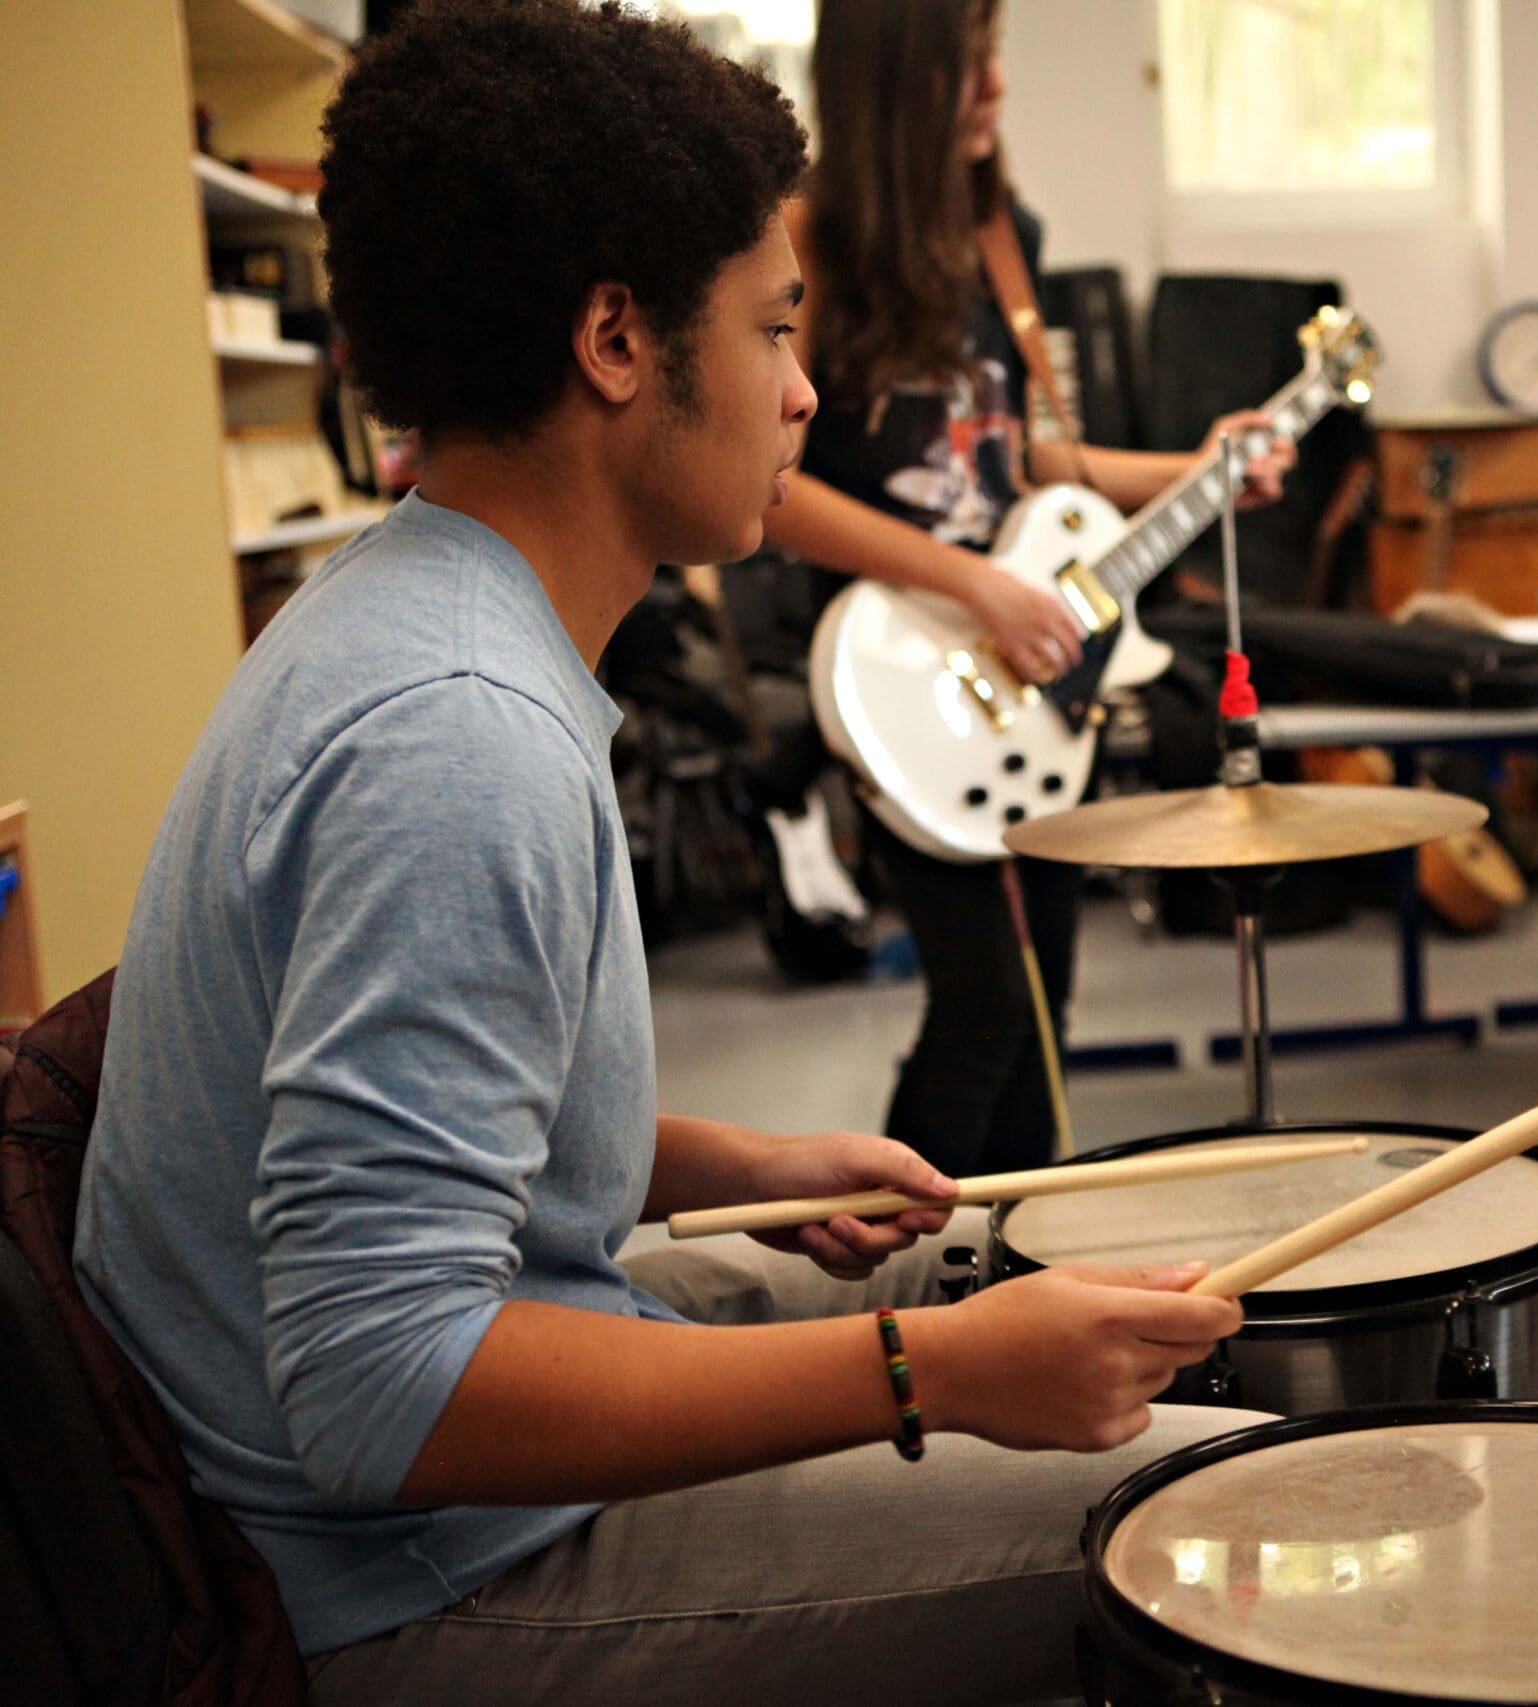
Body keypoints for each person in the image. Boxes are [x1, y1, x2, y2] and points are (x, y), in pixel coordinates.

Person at [72, 4, 1251, 1701]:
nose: (804, 391)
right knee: (1216, 1505)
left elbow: (398, 1129)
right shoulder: (454, 735)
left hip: (385, 1501)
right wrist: (924, 1371)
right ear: (618, 342)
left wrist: (736, 1164)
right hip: (410, 1590)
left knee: (1006, 1251)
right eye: (775, 328)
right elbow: (382, 1383)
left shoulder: (413, 609)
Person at [762, 0, 1294, 1177]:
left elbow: (1022, 459)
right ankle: (884, 1286)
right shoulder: (805, 246)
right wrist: (972, 585)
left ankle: (1008, 1274)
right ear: (893, 78)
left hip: (1024, 673)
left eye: (995, 55)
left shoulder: (1002, 234)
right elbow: (768, 486)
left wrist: (1199, 472)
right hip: (899, 669)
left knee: (1043, 1004)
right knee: (985, 1006)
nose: (996, 86)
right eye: (965, 62)